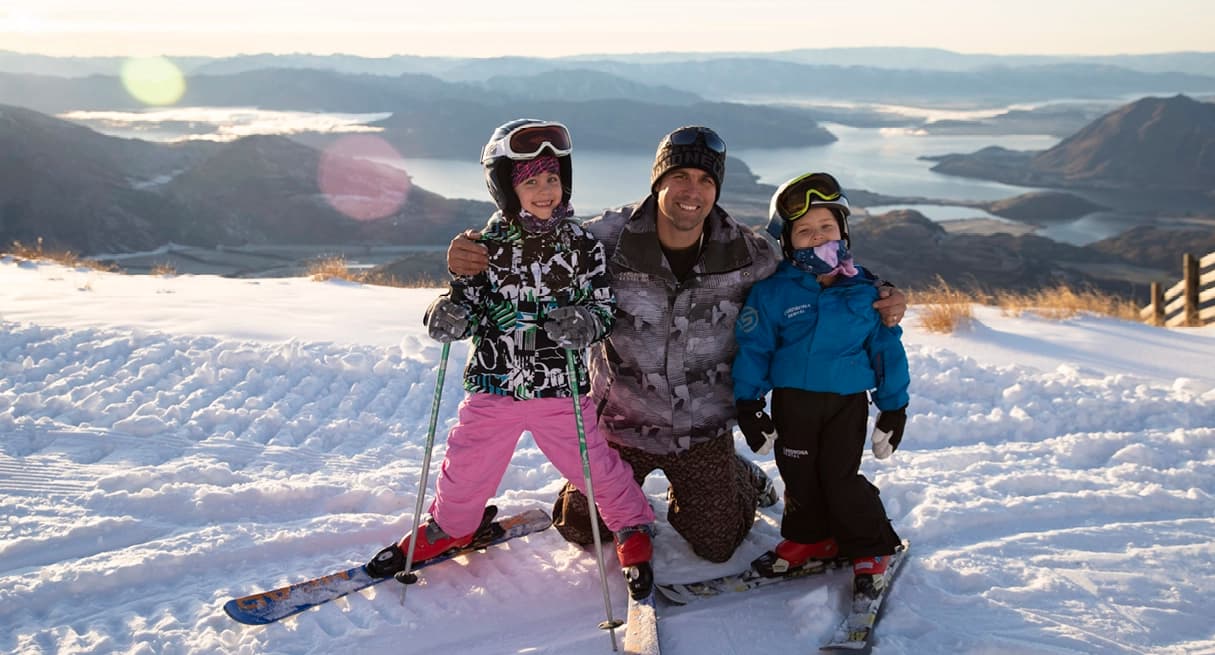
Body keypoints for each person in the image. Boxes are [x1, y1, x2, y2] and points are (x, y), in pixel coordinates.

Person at [447, 126, 908, 564]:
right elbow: (536, 234)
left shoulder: (749, 253)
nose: (693, 191)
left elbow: (817, 264)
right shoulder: (604, 239)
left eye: (706, 179)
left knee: (717, 543)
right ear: (658, 182)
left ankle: (738, 475)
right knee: (580, 526)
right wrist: (469, 253)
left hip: (701, 430)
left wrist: (882, 294)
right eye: (680, 177)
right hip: (622, 423)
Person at [367, 119, 656, 599]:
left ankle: (632, 526)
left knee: (594, 468)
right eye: (531, 181)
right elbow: (470, 305)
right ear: (507, 187)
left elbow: (603, 308)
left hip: (557, 388)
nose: (545, 190)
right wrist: (449, 313)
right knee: (466, 465)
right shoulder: (483, 248)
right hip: (494, 386)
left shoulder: (582, 247)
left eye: (552, 179)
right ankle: (452, 525)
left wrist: (583, 323)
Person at [733, 171, 908, 599]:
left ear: (843, 231)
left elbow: (885, 351)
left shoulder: (866, 291)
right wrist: (749, 403)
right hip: (793, 402)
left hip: (846, 404)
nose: (816, 239)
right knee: (798, 475)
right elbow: (754, 348)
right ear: (787, 242)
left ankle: (872, 546)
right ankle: (810, 536)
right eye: (805, 231)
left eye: (826, 227)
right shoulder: (773, 293)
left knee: (839, 478)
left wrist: (894, 406)